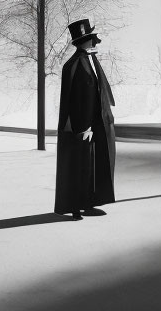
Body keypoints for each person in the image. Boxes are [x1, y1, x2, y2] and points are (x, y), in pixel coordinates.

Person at [54, 18, 116, 220]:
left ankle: (89, 203)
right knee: (79, 166)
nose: (95, 42)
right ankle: (75, 207)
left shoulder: (90, 61)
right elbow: (72, 99)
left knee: (94, 165)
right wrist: (83, 126)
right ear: (86, 41)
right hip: (81, 125)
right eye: (92, 39)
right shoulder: (73, 64)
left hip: (96, 123)